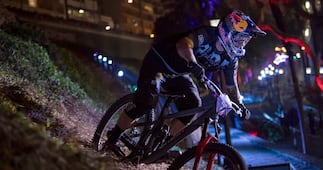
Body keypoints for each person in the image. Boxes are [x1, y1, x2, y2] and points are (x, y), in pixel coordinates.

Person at [106, 9, 266, 148]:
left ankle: (160, 144)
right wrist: (193, 63)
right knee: (146, 101)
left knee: (193, 104)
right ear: (229, 31)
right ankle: (113, 137)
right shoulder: (207, 34)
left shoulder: (230, 59)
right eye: (240, 39)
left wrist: (241, 105)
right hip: (159, 62)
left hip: (179, 74)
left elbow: (232, 87)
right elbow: (183, 44)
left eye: (245, 41)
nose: (242, 44)